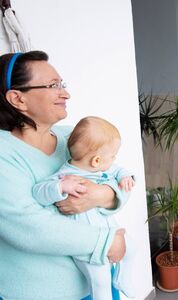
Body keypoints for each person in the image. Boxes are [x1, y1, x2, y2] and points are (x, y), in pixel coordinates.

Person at [0, 51, 128, 300]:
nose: (66, 93)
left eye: (62, 84)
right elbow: (29, 227)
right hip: (41, 293)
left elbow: (116, 178)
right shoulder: (4, 152)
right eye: (53, 86)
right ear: (18, 99)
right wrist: (106, 241)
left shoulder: (71, 137)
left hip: (93, 282)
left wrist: (102, 194)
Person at [33, 116, 137, 299]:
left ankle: (122, 280)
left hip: (109, 231)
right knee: (101, 280)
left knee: (132, 248)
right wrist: (60, 188)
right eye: (112, 155)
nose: (114, 160)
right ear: (96, 160)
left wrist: (125, 176)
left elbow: (117, 169)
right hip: (87, 242)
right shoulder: (65, 176)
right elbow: (39, 192)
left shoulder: (99, 168)